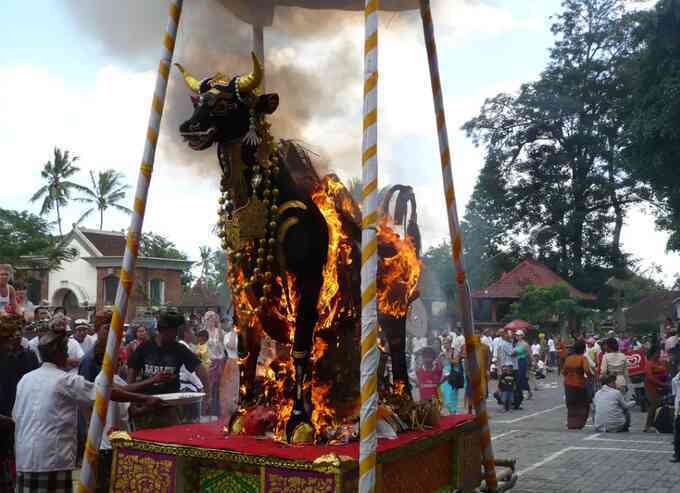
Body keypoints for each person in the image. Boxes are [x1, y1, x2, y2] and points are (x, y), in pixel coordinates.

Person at [12, 323, 162, 492]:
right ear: (59, 355)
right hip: (51, 459)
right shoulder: (65, 380)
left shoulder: (25, 380)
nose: (68, 356)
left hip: (24, 456)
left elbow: (16, 416)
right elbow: (105, 394)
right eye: (65, 352)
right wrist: (145, 398)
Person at [127, 310, 210, 423]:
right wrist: (132, 403)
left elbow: (200, 369)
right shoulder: (145, 348)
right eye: (173, 331)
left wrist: (208, 395)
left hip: (170, 406)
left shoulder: (179, 349)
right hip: (146, 405)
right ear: (163, 330)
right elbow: (131, 376)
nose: (175, 334)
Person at [0, 315, 40, 492]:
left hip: (21, 415)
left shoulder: (30, 356)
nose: (15, 337)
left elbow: (35, 385)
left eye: (18, 331)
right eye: (9, 337)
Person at [563, 340, 593, 429]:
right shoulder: (583, 358)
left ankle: (571, 424)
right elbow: (587, 370)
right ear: (583, 349)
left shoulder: (568, 358)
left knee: (571, 405)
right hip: (579, 384)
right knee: (583, 404)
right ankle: (579, 424)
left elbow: (564, 372)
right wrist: (591, 378)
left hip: (568, 384)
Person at [203, 311, 226, 416]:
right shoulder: (203, 332)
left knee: (220, 387)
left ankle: (219, 410)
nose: (210, 320)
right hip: (209, 363)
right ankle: (209, 410)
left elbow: (223, 340)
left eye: (212, 318)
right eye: (208, 318)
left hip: (220, 362)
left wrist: (219, 325)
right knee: (209, 386)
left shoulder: (219, 331)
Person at [643, 346, 668, 433]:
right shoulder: (649, 364)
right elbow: (650, 377)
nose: (659, 354)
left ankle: (655, 424)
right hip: (651, 387)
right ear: (653, 354)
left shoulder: (659, 362)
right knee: (653, 405)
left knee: (658, 404)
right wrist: (662, 384)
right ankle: (648, 425)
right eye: (657, 353)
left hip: (660, 387)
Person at [515, 330, 532, 400]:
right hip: (517, 361)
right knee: (518, 378)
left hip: (523, 361)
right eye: (516, 335)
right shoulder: (517, 343)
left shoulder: (525, 344)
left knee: (522, 377)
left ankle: (528, 392)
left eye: (518, 335)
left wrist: (532, 362)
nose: (517, 337)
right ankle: (521, 393)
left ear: (522, 336)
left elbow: (529, 354)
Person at [671, 368, 680, 463]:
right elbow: (675, 395)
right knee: (677, 434)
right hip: (679, 410)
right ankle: (677, 454)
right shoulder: (675, 380)